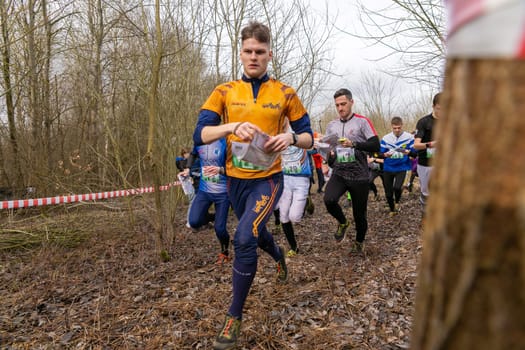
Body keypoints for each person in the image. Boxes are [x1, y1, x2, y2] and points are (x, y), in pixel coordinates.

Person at [192, 21, 313, 350]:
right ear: (241, 53)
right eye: (248, 51)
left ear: (269, 54)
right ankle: (279, 258)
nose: (254, 56)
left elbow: (308, 136)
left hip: (268, 180)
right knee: (257, 233)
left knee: (244, 237)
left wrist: (290, 137)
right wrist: (230, 127)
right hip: (235, 182)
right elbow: (200, 134)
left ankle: (233, 316)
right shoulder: (224, 91)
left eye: (260, 52)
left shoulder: (285, 93)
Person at [323, 88, 380, 254]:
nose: (340, 108)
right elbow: (329, 149)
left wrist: (354, 144)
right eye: (337, 105)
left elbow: (376, 145)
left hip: (359, 175)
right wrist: (327, 157)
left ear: (351, 102)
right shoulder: (331, 125)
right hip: (340, 172)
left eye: (343, 104)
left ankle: (359, 242)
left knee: (359, 215)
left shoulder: (362, 122)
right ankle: (342, 222)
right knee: (329, 200)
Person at [186, 138, 230, 265]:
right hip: (204, 191)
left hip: (222, 193)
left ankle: (224, 252)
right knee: (194, 221)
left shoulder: (225, 142)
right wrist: (188, 168)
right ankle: (217, 217)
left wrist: (220, 170)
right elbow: (193, 154)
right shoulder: (200, 141)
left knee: (220, 229)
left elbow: (234, 167)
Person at [276, 141, 313, 257]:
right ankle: (294, 247)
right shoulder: (277, 136)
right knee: (284, 216)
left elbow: (314, 147)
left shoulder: (302, 135)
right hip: (284, 178)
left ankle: (305, 201)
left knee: (294, 217)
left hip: (301, 179)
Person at [380, 116, 415, 216]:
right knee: (388, 192)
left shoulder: (409, 137)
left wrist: (409, 152)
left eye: (399, 127)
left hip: (402, 166)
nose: (397, 130)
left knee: (397, 187)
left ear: (402, 125)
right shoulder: (386, 138)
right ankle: (392, 210)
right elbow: (379, 153)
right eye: (395, 128)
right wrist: (385, 155)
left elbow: (414, 152)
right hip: (388, 167)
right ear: (391, 126)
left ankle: (397, 202)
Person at [413, 92, 441, 210]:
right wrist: (431, 144)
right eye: (440, 109)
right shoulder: (424, 122)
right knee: (426, 193)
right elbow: (416, 145)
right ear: (434, 106)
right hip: (426, 163)